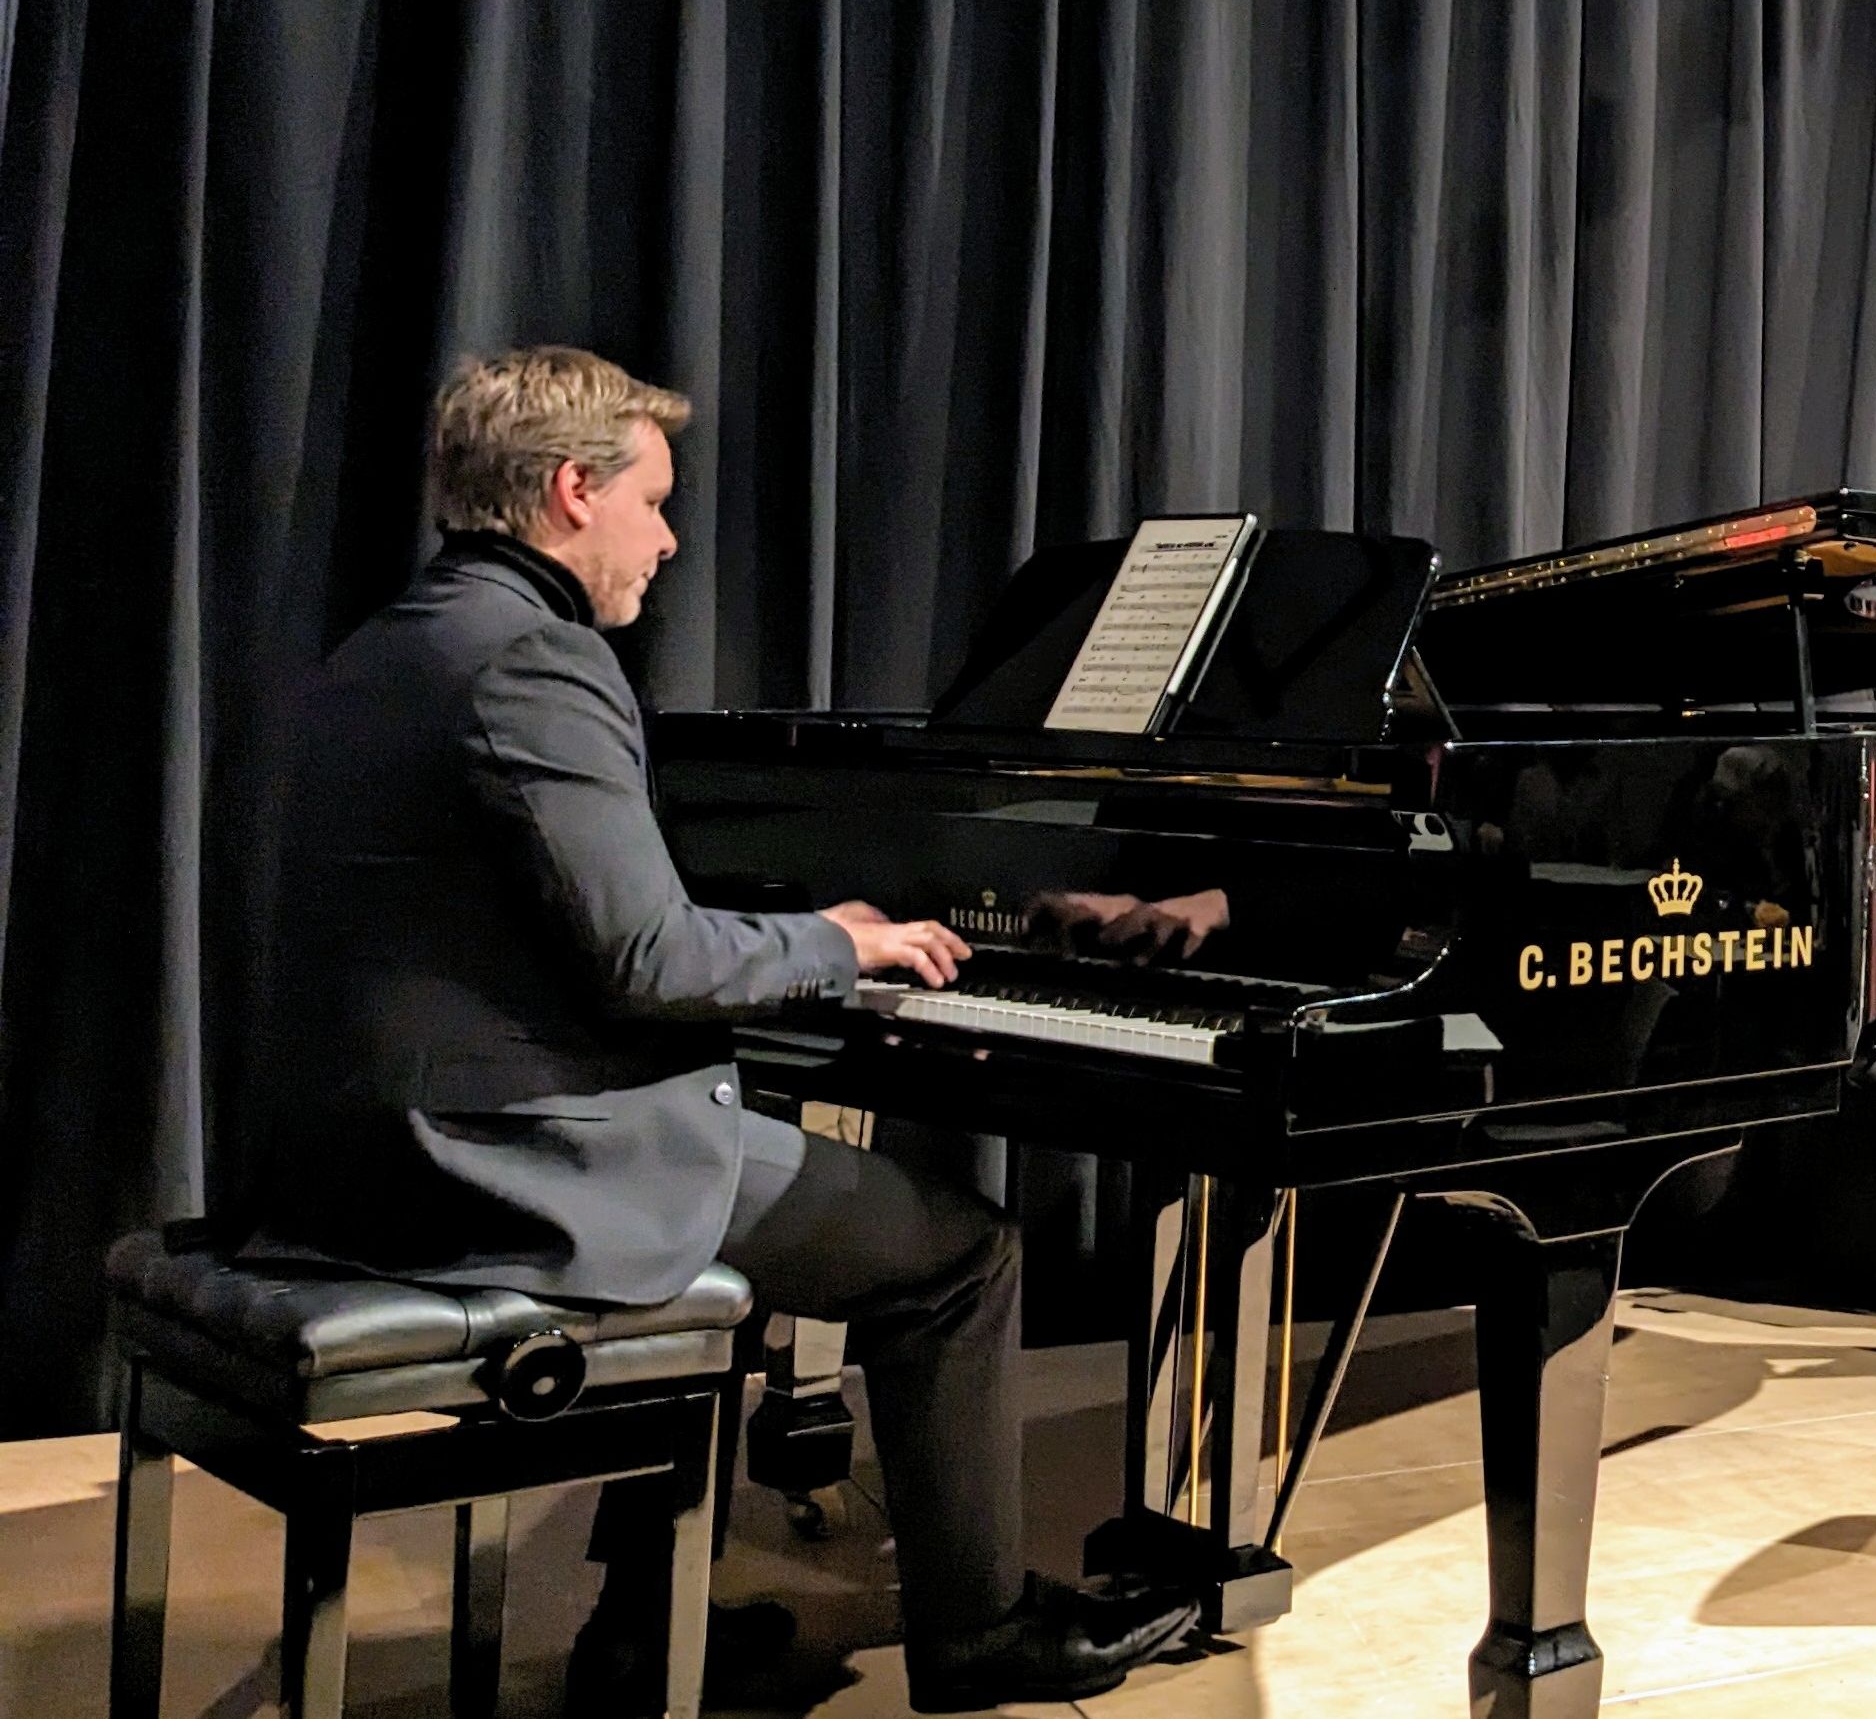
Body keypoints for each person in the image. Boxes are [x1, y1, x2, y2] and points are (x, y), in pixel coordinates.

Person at [238, 348, 1197, 1715]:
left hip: (364, 1152)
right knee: (963, 1257)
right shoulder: (536, 660)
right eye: (654, 500)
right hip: (501, 1165)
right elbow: (651, 957)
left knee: (741, 1185)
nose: (671, 537)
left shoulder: (388, 644)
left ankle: (646, 1622)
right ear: (573, 490)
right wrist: (841, 941)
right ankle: (978, 1633)